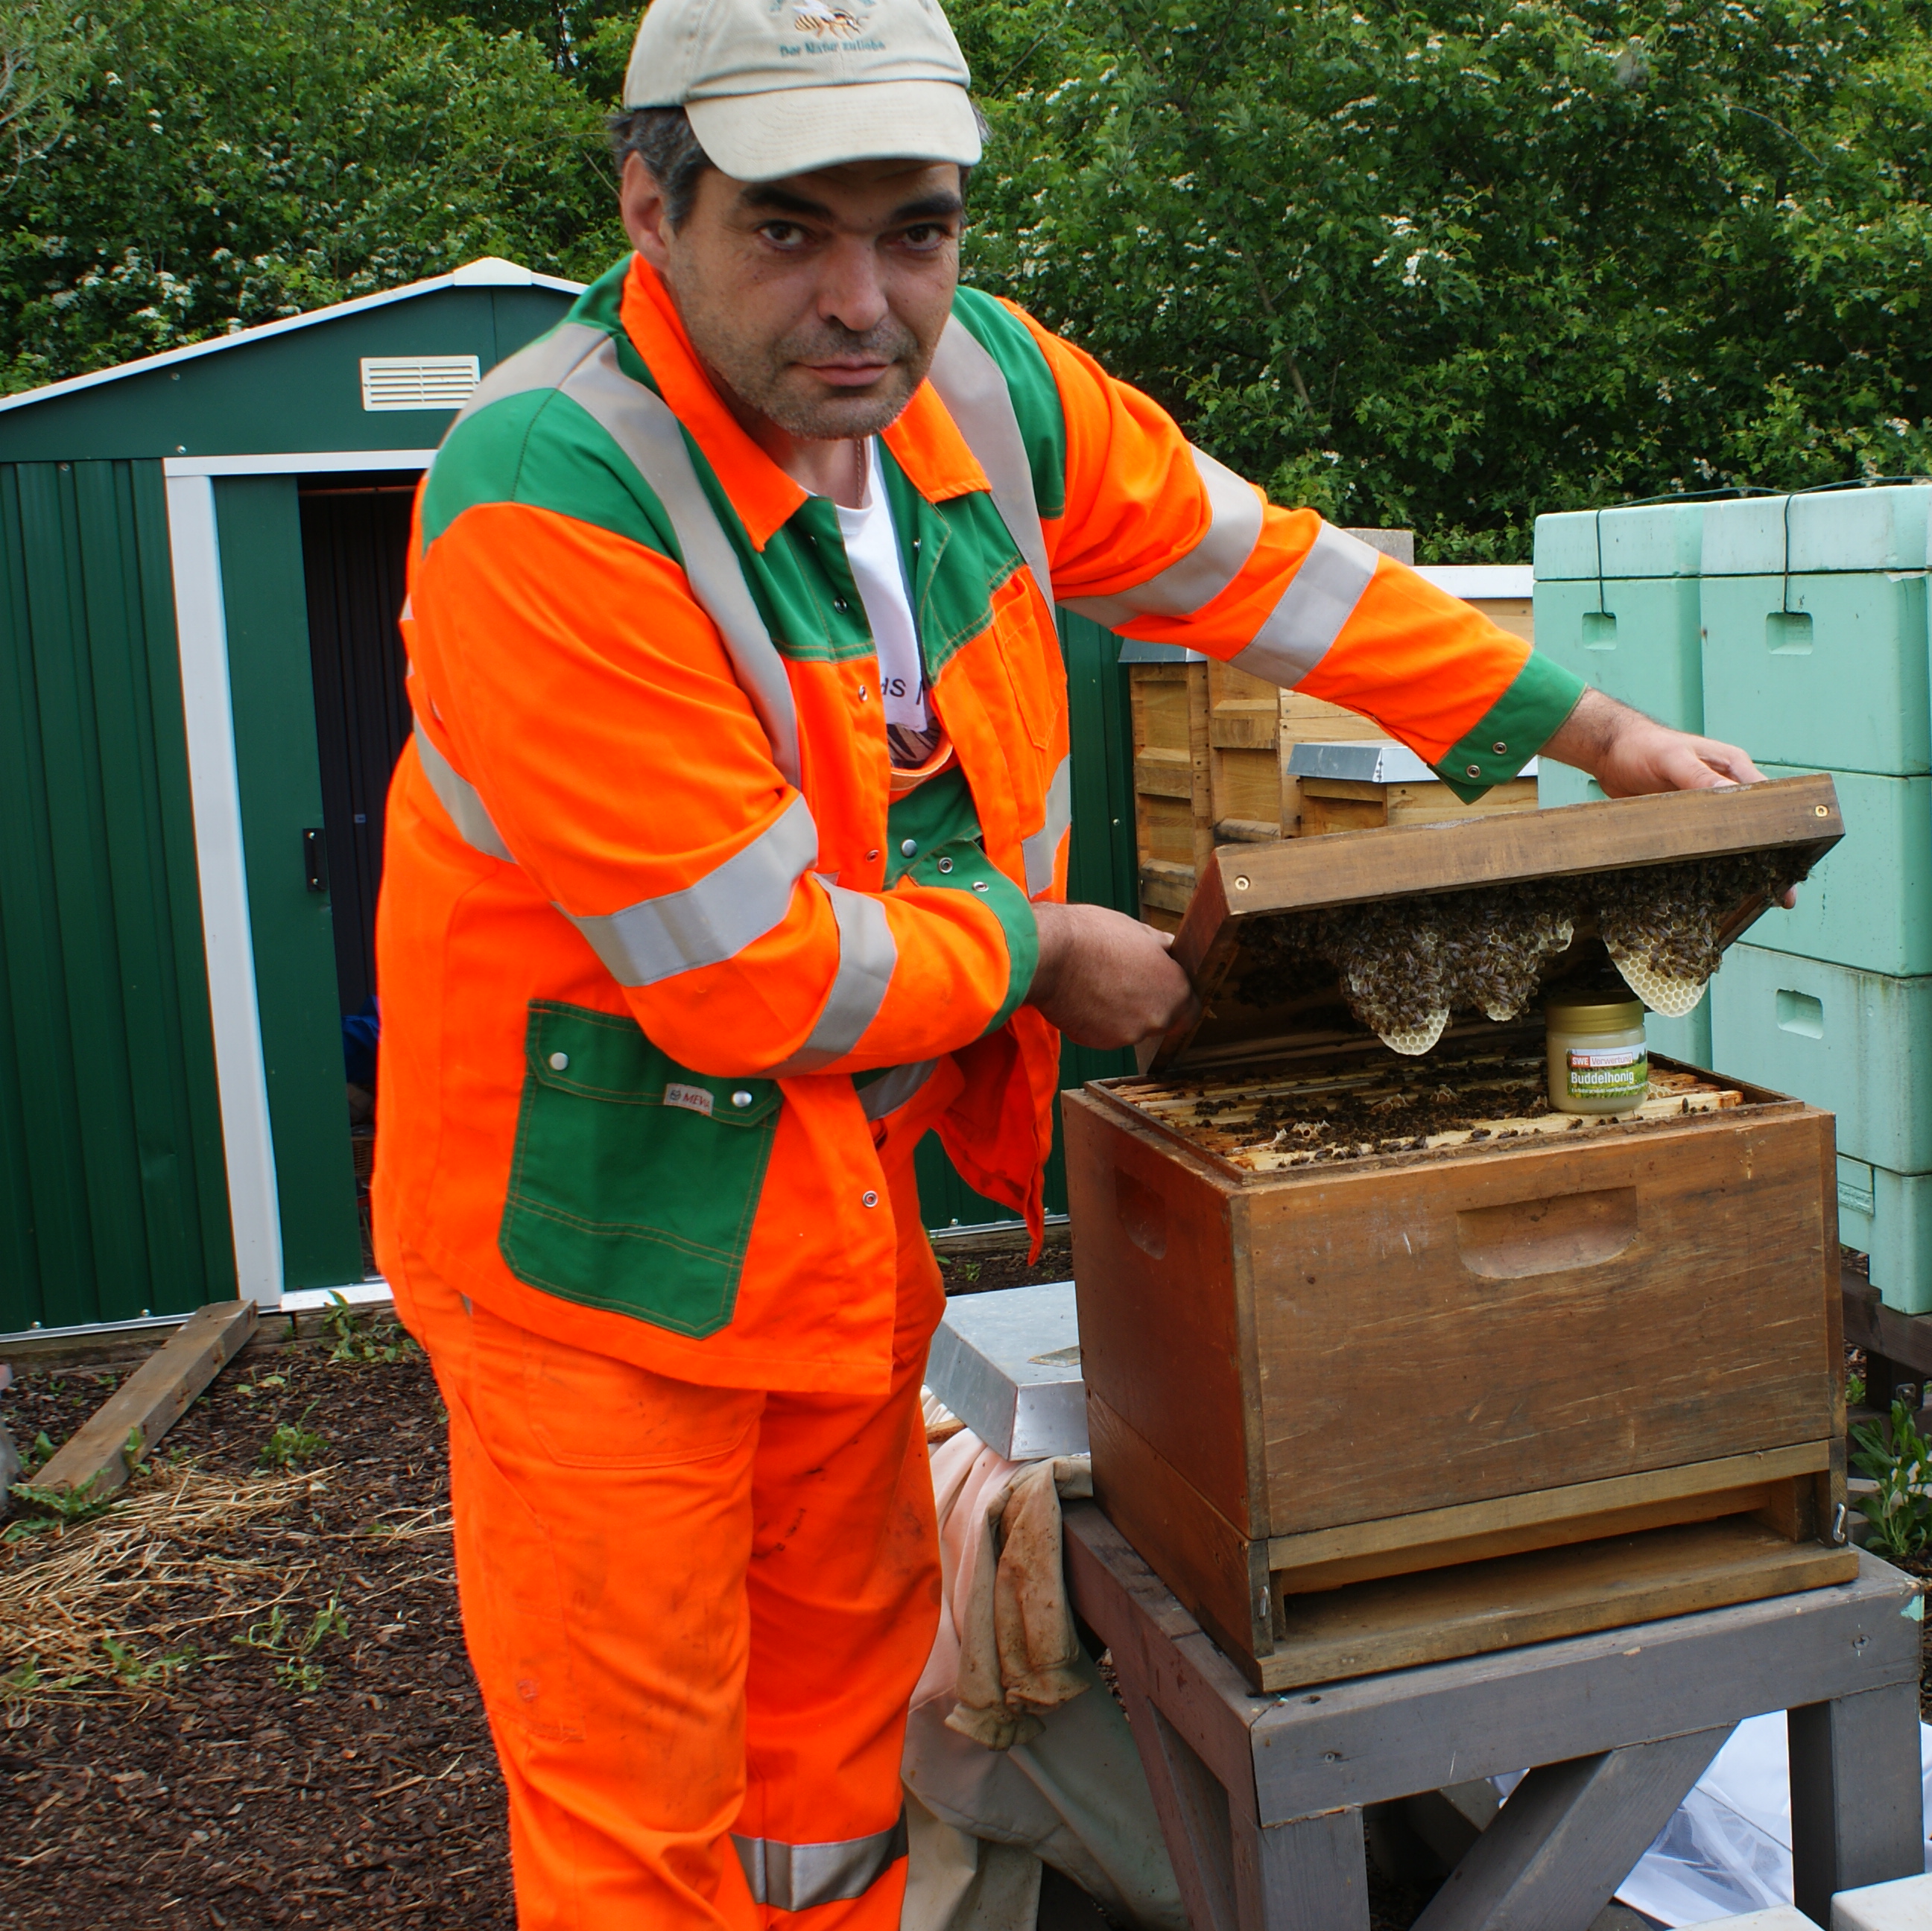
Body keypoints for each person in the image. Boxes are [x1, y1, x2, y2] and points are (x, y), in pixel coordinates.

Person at [373, 1, 1772, 1923]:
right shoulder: (552, 490)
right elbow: (746, 971)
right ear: (650, 205)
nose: (866, 299)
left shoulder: (989, 390)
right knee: (641, 1801)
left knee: (837, 1749)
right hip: (594, 1240)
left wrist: (1584, 725)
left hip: (823, 1201)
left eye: (919, 231)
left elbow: (1263, 566)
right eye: (790, 230)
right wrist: (1043, 950)